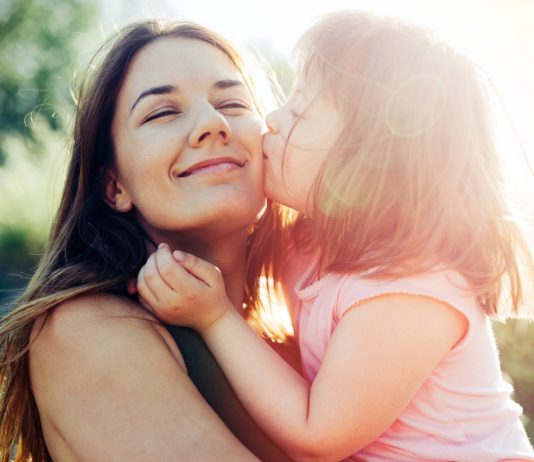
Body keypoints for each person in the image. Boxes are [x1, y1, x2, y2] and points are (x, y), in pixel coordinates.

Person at [137, 10, 534, 462]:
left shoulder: (413, 286)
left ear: (369, 161)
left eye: (301, 111)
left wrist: (213, 317)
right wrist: (164, 270)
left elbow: (317, 436)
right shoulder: (309, 241)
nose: (273, 118)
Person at [0, 20, 294, 461]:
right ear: (114, 185)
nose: (213, 124)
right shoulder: (85, 328)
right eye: (163, 112)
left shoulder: (301, 340)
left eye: (232, 103)